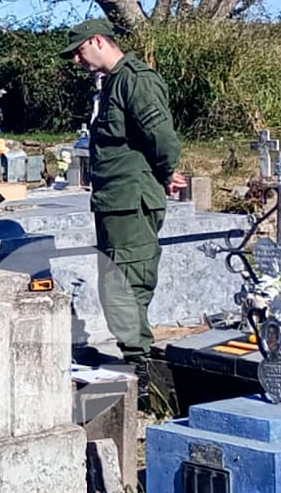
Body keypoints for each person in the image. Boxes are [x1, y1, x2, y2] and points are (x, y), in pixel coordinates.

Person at [60, 18, 187, 363]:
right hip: (113, 202)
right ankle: (134, 357)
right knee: (116, 284)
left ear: (99, 41)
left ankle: (139, 367)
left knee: (128, 284)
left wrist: (165, 172)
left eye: (79, 50)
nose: (77, 60)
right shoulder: (111, 84)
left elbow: (161, 138)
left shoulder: (135, 81)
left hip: (131, 202)